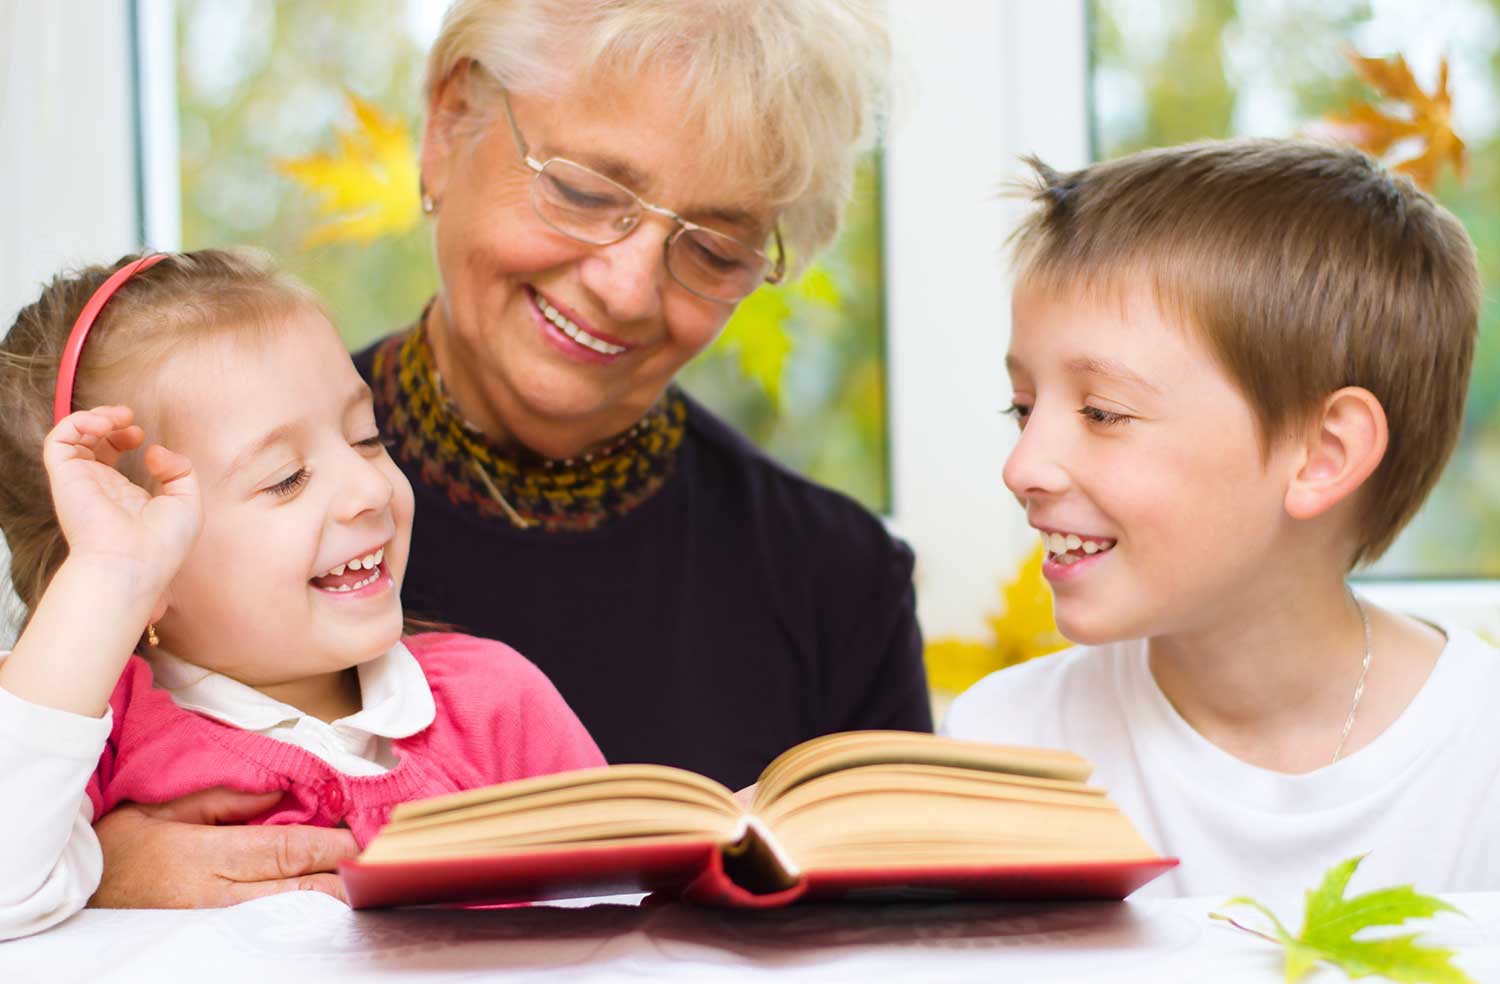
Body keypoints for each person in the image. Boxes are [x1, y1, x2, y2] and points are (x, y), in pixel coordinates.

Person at [91, 0, 931, 910]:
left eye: (715, 247)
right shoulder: (182, 504)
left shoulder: (840, 580)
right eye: (586, 192)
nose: (627, 286)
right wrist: (90, 882)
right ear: (450, 125)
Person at [943, 138, 1500, 899]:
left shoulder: (1482, 755)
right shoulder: (1003, 747)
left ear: (1324, 455)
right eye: (1024, 408)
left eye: (1102, 412)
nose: (1022, 468)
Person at [0, 250, 605, 938]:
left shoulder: (497, 703)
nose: (371, 489)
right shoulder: (82, 738)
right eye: (286, 478)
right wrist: (112, 576)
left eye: (368, 438)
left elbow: (624, 918)